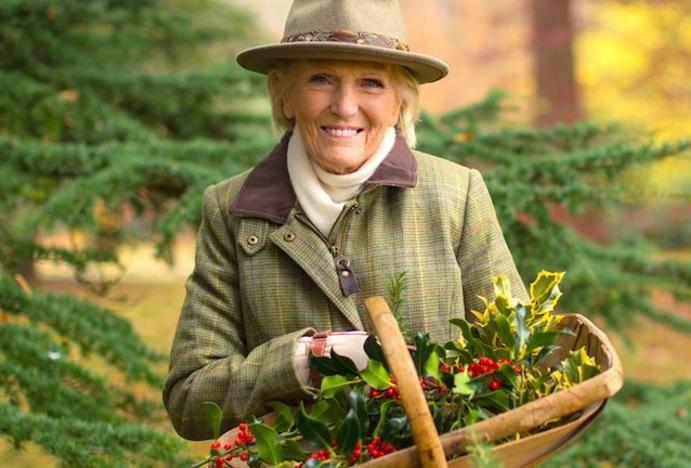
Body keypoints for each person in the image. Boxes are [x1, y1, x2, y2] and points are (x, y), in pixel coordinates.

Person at [163, 0, 528, 441]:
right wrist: (305, 360)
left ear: (400, 102)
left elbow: (518, 366)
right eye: (321, 79)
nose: (345, 106)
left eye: (371, 83)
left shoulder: (456, 196)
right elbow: (191, 401)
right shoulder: (231, 210)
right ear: (284, 93)